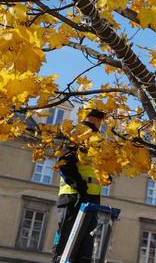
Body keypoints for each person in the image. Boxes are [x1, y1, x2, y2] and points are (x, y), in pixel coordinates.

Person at [51, 109, 107, 263]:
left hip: (90, 198)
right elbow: (64, 164)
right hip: (74, 196)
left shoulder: (96, 139)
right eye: (100, 120)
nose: (101, 123)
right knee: (67, 243)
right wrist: (79, 186)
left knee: (84, 245)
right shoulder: (79, 135)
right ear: (95, 119)